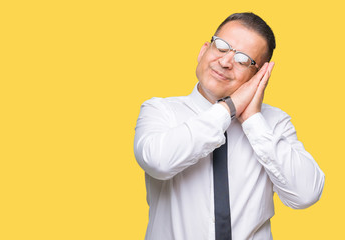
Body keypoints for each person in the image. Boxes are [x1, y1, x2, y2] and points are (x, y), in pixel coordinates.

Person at [134, 12, 325, 240]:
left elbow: (306, 194)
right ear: (204, 50)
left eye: (243, 59)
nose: (225, 62)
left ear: (259, 75)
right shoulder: (160, 110)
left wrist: (254, 121)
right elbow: (158, 162)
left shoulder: (274, 123)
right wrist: (229, 109)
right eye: (221, 47)